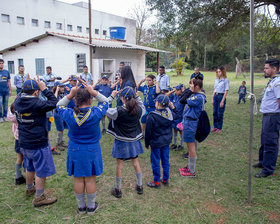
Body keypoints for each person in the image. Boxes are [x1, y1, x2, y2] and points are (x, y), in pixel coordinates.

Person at [57, 82, 109, 215]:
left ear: (75, 100)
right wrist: (94, 92)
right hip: (92, 149)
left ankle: (81, 207)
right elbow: (106, 101)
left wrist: (70, 94)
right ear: (90, 100)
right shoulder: (95, 113)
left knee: (78, 178)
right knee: (90, 178)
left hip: (75, 150)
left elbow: (59, 105)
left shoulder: (69, 114)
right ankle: (91, 207)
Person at [14, 77, 58, 207]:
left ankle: (29, 188)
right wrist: (44, 88)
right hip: (38, 142)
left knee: (29, 166)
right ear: (36, 92)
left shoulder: (17, 102)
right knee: (41, 170)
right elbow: (54, 102)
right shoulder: (37, 104)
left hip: (24, 142)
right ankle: (39, 197)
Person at [106, 86, 145, 198]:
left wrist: (111, 97)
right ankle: (140, 186)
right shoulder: (139, 110)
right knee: (136, 162)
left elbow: (104, 109)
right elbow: (142, 106)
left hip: (121, 141)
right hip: (134, 140)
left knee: (119, 165)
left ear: (122, 98)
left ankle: (118, 189)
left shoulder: (118, 111)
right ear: (133, 97)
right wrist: (137, 95)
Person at [254, 59, 280, 178]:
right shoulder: (272, 81)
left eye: (266, 68)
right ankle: (263, 162)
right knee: (264, 141)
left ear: (274, 69)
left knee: (270, 143)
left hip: (273, 116)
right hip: (267, 116)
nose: (264, 70)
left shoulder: (278, 82)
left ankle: (268, 169)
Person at [145, 94, 178, 188]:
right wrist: (173, 107)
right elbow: (178, 115)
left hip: (156, 142)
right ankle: (165, 179)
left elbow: (148, 132)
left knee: (155, 161)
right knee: (165, 161)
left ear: (158, 103)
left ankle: (156, 182)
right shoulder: (169, 113)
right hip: (166, 141)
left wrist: (147, 143)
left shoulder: (152, 116)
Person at [179, 77, 205, 177]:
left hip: (191, 123)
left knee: (191, 147)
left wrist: (189, 91)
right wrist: (190, 90)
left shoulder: (198, 97)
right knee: (190, 146)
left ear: (197, 86)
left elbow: (183, 99)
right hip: (189, 122)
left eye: (192, 84)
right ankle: (189, 166)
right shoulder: (196, 95)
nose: (190, 86)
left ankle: (192, 171)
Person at [7, 103, 26, 185]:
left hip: (18, 139)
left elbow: (10, 111)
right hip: (25, 139)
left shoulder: (13, 117)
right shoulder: (24, 116)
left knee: (19, 158)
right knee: (27, 158)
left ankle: (18, 177)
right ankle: (30, 177)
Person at [211, 66, 229, 133]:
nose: (218, 73)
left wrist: (222, 101)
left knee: (219, 113)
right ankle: (215, 127)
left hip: (221, 96)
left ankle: (219, 128)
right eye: (217, 72)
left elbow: (226, 91)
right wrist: (212, 98)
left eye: (220, 71)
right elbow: (214, 89)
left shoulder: (225, 80)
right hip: (216, 95)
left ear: (223, 72)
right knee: (214, 112)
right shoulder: (216, 80)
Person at [53, 83, 68, 151]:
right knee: (60, 129)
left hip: (64, 113)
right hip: (57, 114)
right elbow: (54, 100)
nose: (63, 88)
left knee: (62, 129)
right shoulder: (56, 94)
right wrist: (56, 90)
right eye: (61, 87)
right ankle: (58, 143)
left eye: (63, 87)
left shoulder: (64, 94)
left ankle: (61, 142)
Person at [170, 84, 185, 151]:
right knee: (174, 129)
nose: (176, 91)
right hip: (174, 117)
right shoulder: (175, 96)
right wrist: (173, 91)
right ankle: (174, 143)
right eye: (175, 90)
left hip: (180, 117)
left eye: (177, 90)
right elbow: (167, 95)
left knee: (180, 131)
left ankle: (181, 145)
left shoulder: (183, 97)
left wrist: (183, 91)